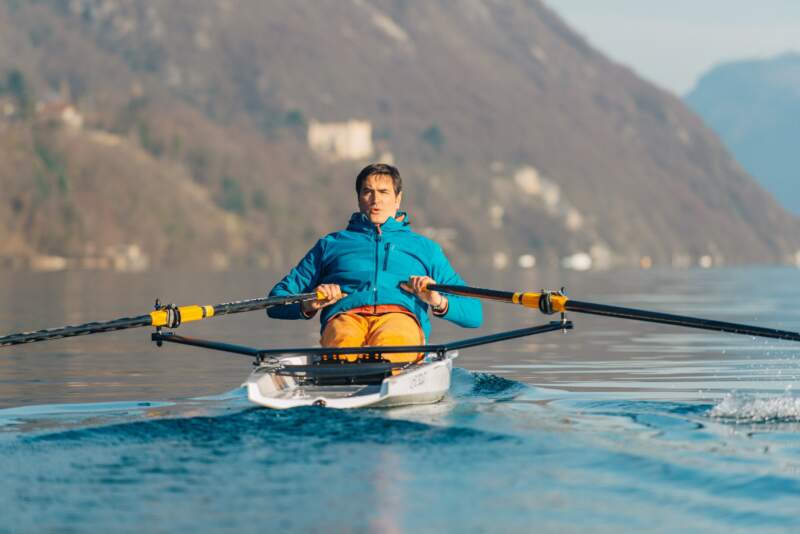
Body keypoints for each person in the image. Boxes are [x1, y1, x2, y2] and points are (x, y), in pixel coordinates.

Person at [267, 163, 482, 362]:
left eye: (383, 192)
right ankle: (344, 371)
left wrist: (437, 301)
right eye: (367, 191)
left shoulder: (426, 249)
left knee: (391, 344)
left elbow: (474, 313)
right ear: (359, 198)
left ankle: (378, 372)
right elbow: (275, 302)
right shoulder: (330, 245)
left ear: (398, 199)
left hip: (400, 317)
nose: (375, 199)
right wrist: (310, 303)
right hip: (346, 317)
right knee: (343, 341)